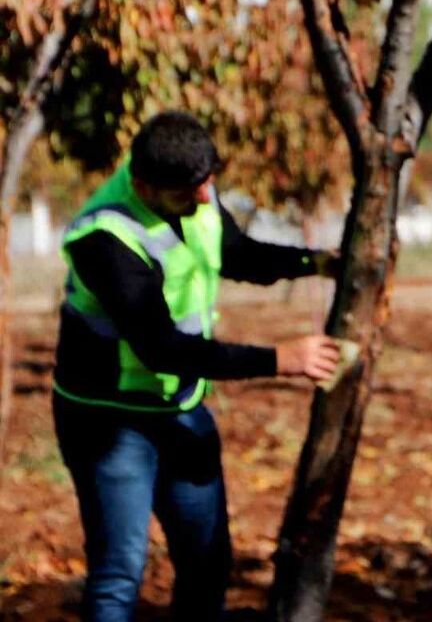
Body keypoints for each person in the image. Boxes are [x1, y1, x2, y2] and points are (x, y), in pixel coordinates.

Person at [52, 111, 342, 621]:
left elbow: (237, 253)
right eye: (189, 191)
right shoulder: (104, 238)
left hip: (179, 405)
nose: (205, 198)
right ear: (143, 185)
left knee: (208, 563)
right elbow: (163, 348)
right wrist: (280, 359)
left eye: (207, 183)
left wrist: (313, 261)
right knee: (119, 574)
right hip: (107, 420)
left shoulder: (193, 189)